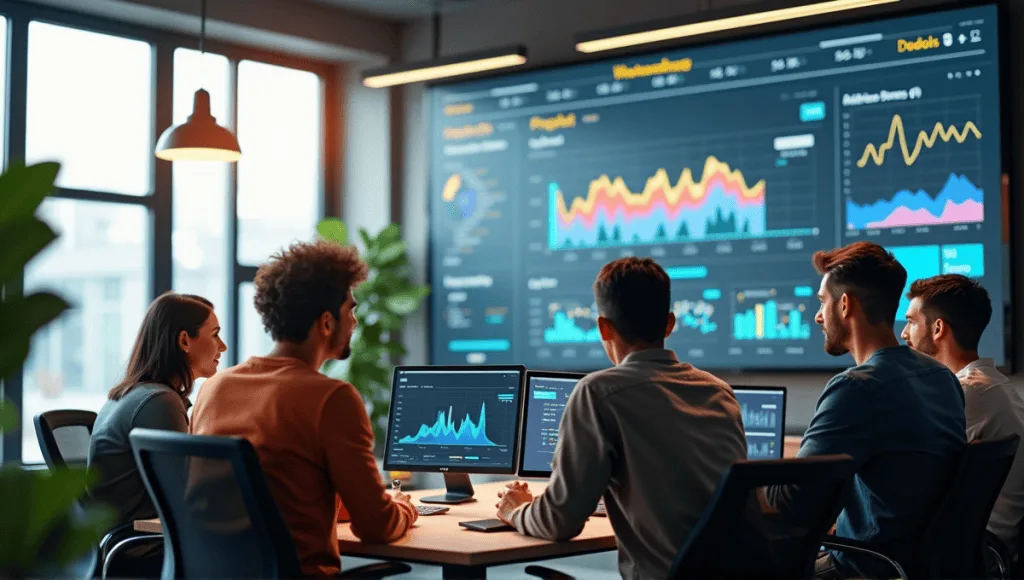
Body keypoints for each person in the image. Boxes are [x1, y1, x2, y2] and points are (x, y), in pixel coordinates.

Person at [494, 257, 748, 579]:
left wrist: (517, 509)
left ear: (603, 327)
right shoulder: (720, 391)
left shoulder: (598, 392)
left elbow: (561, 521)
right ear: (670, 323)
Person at [190, 240, 417, 577]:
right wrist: (402, 509)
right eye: (350, 310)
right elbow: (377, 527)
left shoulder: (215, 388)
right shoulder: (332, 398)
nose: (355, 322)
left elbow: (270, 490)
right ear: (326, 322)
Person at [765, 242, 966, 579]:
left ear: (844, 305)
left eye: (821, 302)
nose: (817, 316)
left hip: (863, 567)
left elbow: (791, 505)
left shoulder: (857, 387)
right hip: (918, 563)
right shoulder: (942, 376)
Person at [88, 292, 227, 577]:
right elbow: (184, 501)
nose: (222, 346)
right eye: (214, 335)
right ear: (184, 341)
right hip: (143, 551)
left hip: (126, 544)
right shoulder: (158, 402)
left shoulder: (135, 395)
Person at [903, 274, 1024, 559]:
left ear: (937, 329)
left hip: (968, 555)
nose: (903, 334)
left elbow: (914, 485)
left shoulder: (965, 393)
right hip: (983, 551)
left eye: (910, 322)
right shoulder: (993, 387)